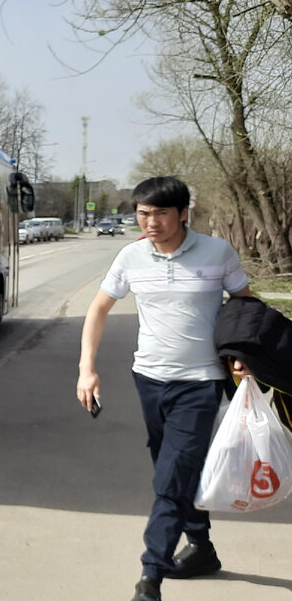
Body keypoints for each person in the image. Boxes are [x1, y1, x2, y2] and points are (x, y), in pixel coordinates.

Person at [76, 176, 252, 601]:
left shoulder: (217, 252)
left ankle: (150, 577)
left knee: (171, 478)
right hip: (150, 379)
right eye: (143, 213)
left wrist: (244, 355)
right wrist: (87, 369)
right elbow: (98, 308)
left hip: (202, 381)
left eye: (159, 213)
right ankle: (202, 548)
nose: (150, 222)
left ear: (183, 213)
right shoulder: (131, 256)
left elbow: (246, 304)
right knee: (170, 465)